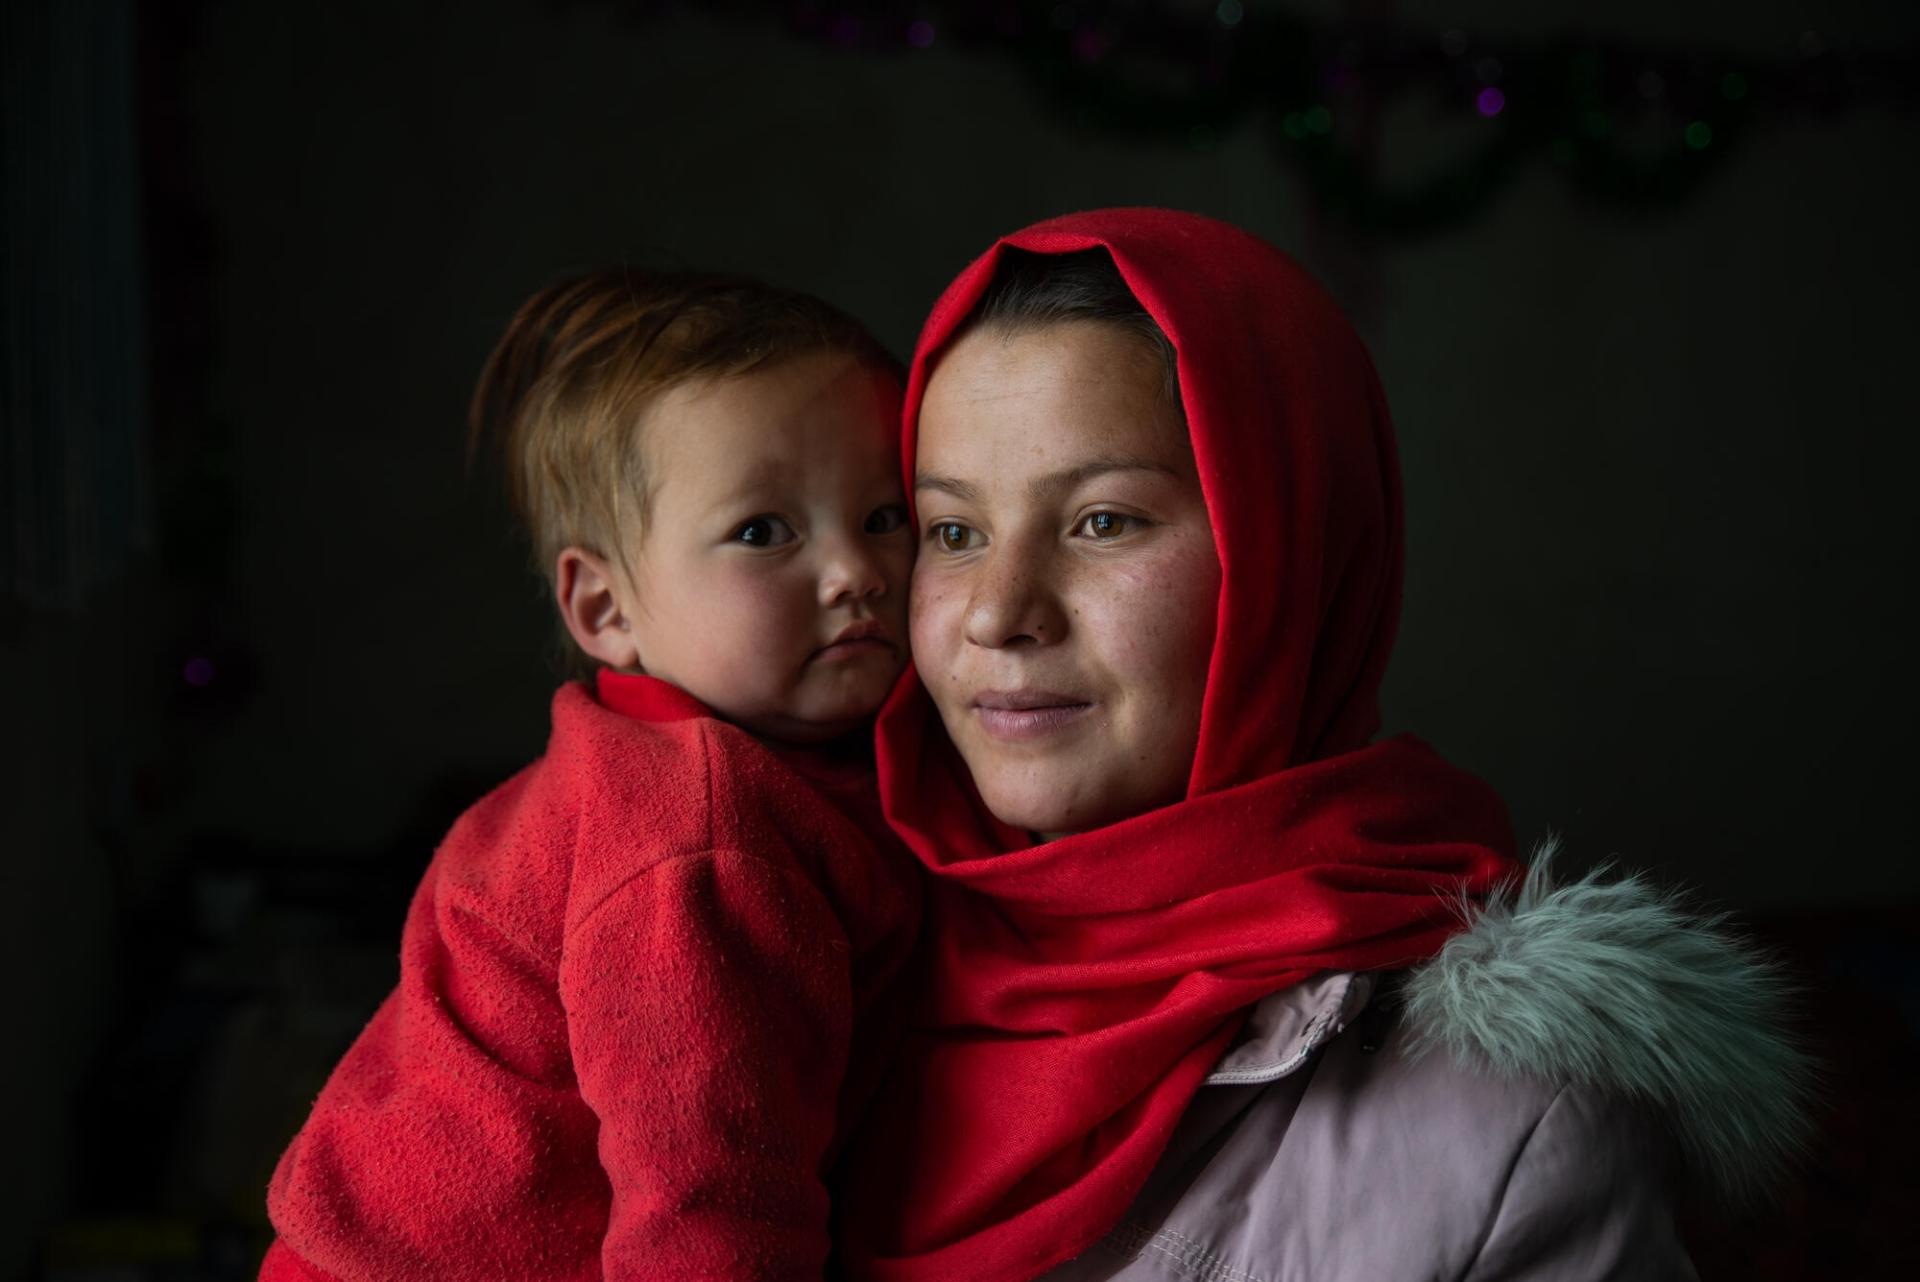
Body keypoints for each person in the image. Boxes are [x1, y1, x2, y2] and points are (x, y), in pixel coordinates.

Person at [833, 209, 1809, 1282]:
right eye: (953, 532)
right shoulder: (800, 957)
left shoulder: (1506, 1122)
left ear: (1293, 558)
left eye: (1104, 520)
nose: (998, 612)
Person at [260, 269, 922, 1282]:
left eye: (887, 514)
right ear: (606, 610)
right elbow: (707, 1207)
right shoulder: (694, 842)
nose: (856, 569)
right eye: (763, 531)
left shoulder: (763, 760)